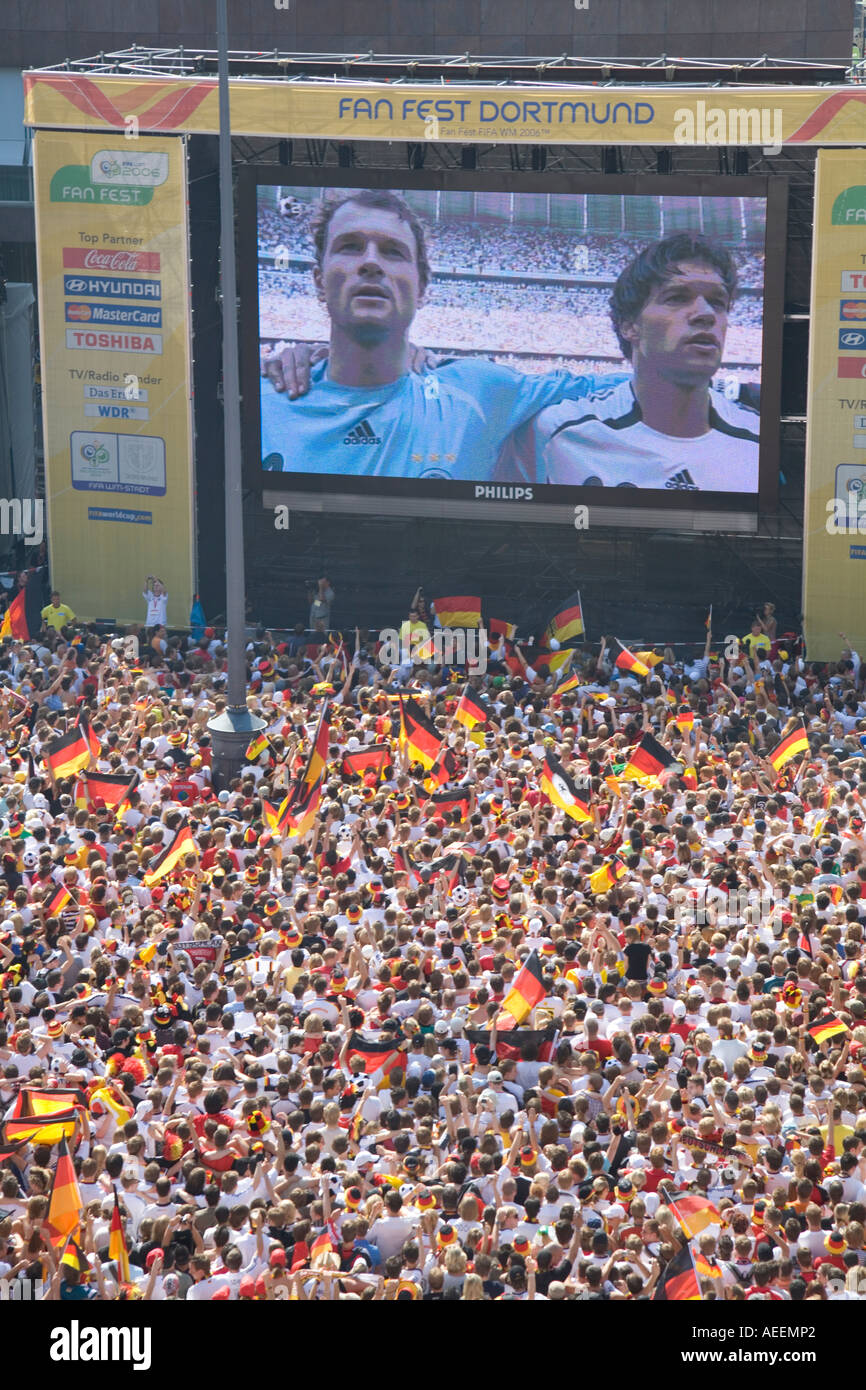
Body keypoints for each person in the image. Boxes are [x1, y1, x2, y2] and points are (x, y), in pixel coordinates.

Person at [259, 190, 627, 483]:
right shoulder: (260, 397)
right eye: (349, 246)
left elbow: (638, 385)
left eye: (393, 251)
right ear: (319, 281)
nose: (370, 262)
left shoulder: (482, 393)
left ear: (423, 289)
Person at [498, 233, 760, 492]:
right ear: (630, 326)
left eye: (717, 302)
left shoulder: (761, 441)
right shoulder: (558, 433)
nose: (706, 314)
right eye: (677, 298)